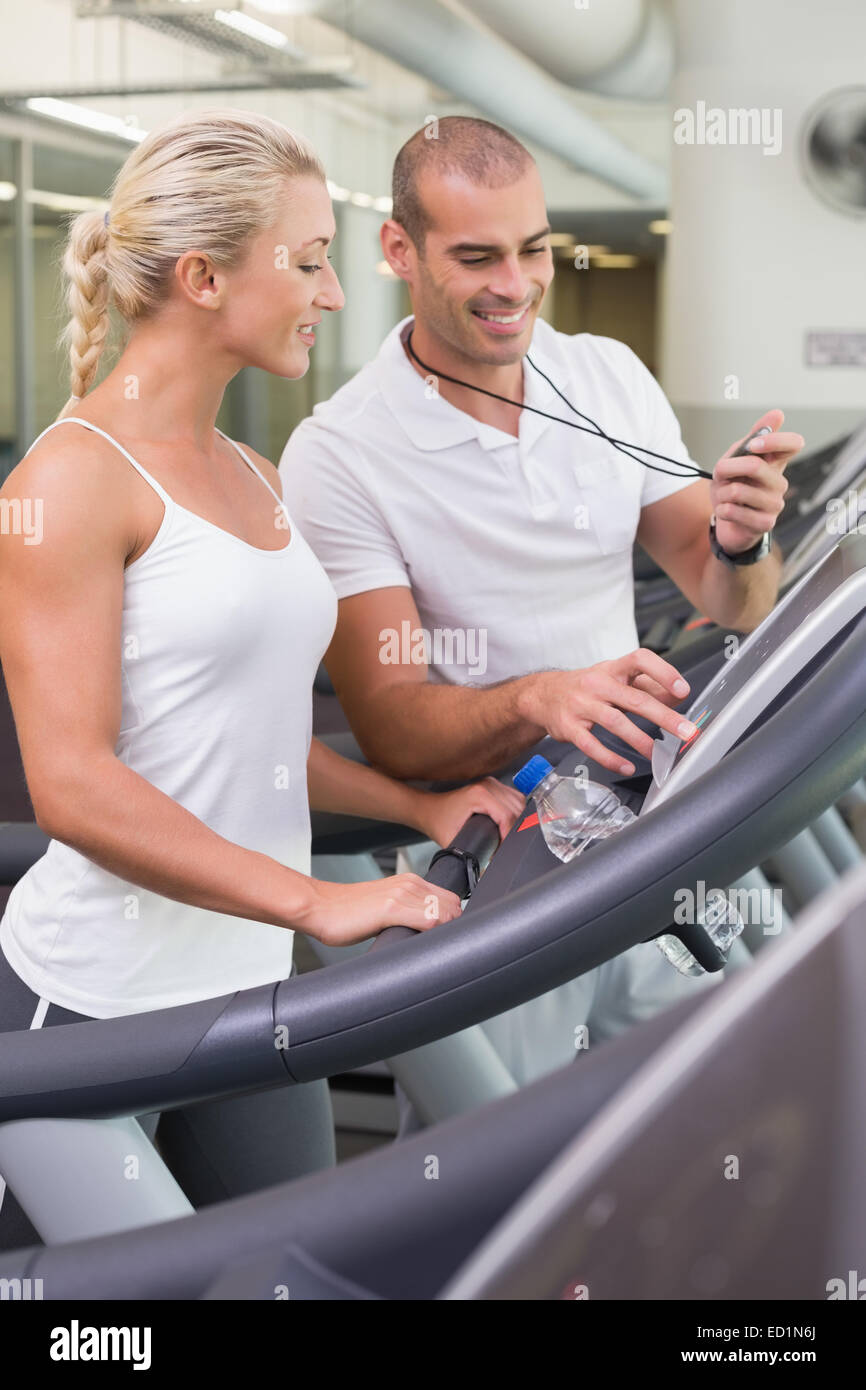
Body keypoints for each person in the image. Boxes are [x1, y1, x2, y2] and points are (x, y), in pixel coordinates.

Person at [0, 108, 522, 1250]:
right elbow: (74, 788)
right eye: (308, 260)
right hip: (92, 1007)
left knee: (293, 1278)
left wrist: (417, 804)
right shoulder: (73, 480)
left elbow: (244, 743)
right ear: (200, 275)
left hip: (247, 992)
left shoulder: (253, 470)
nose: (333, 294)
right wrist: (319, 900)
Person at [280, 116, 804, 1090]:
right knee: (514, 1161)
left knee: (728, 1101)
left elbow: (731, 598)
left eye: (531, 250)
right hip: (505, 859)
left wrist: (743, 536)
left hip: (643, 827)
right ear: (399, 248)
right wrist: (537, 698)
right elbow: (393, 726)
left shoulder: (602, 373)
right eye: (475, 257)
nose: (513, 285)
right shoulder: (339, 451)